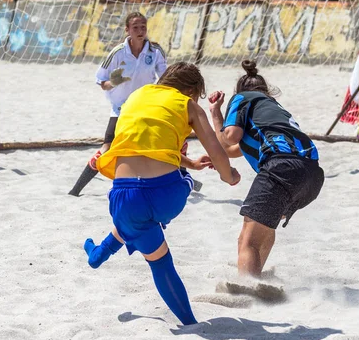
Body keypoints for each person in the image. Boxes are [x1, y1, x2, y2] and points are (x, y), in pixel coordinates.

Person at [83, 62, 241, 325]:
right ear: (191, 90)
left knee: (143, 237)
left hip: (126, 196)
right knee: (146, 234)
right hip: (167, 195)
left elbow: (143, 147)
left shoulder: (137, 96)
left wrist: (188, 163)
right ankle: (98, 254)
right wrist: (230, 176)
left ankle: (98, 255)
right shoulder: (188, 105)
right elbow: (216, 150)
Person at [208, 60, 324, 278]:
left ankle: (247, 289)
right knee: (264, 228)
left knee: (247, 239)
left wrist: (215, 113)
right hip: (312, 175)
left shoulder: (242, 98)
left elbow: (230, 136)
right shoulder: (272, 110)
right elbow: (233, 149)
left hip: (281, 168)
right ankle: (255, 281)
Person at [69, 12, 167, 197]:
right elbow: (101, 82)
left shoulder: (155, 51)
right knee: (107, 146)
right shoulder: (117, 53)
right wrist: (114, 82)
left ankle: (182, 177)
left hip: (144, 107)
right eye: (135, 27)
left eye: (143, 27)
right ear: (127, 30)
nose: (140, 31)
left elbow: (166, 78)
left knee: (158, 144)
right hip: (121, 108)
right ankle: (76, 189)